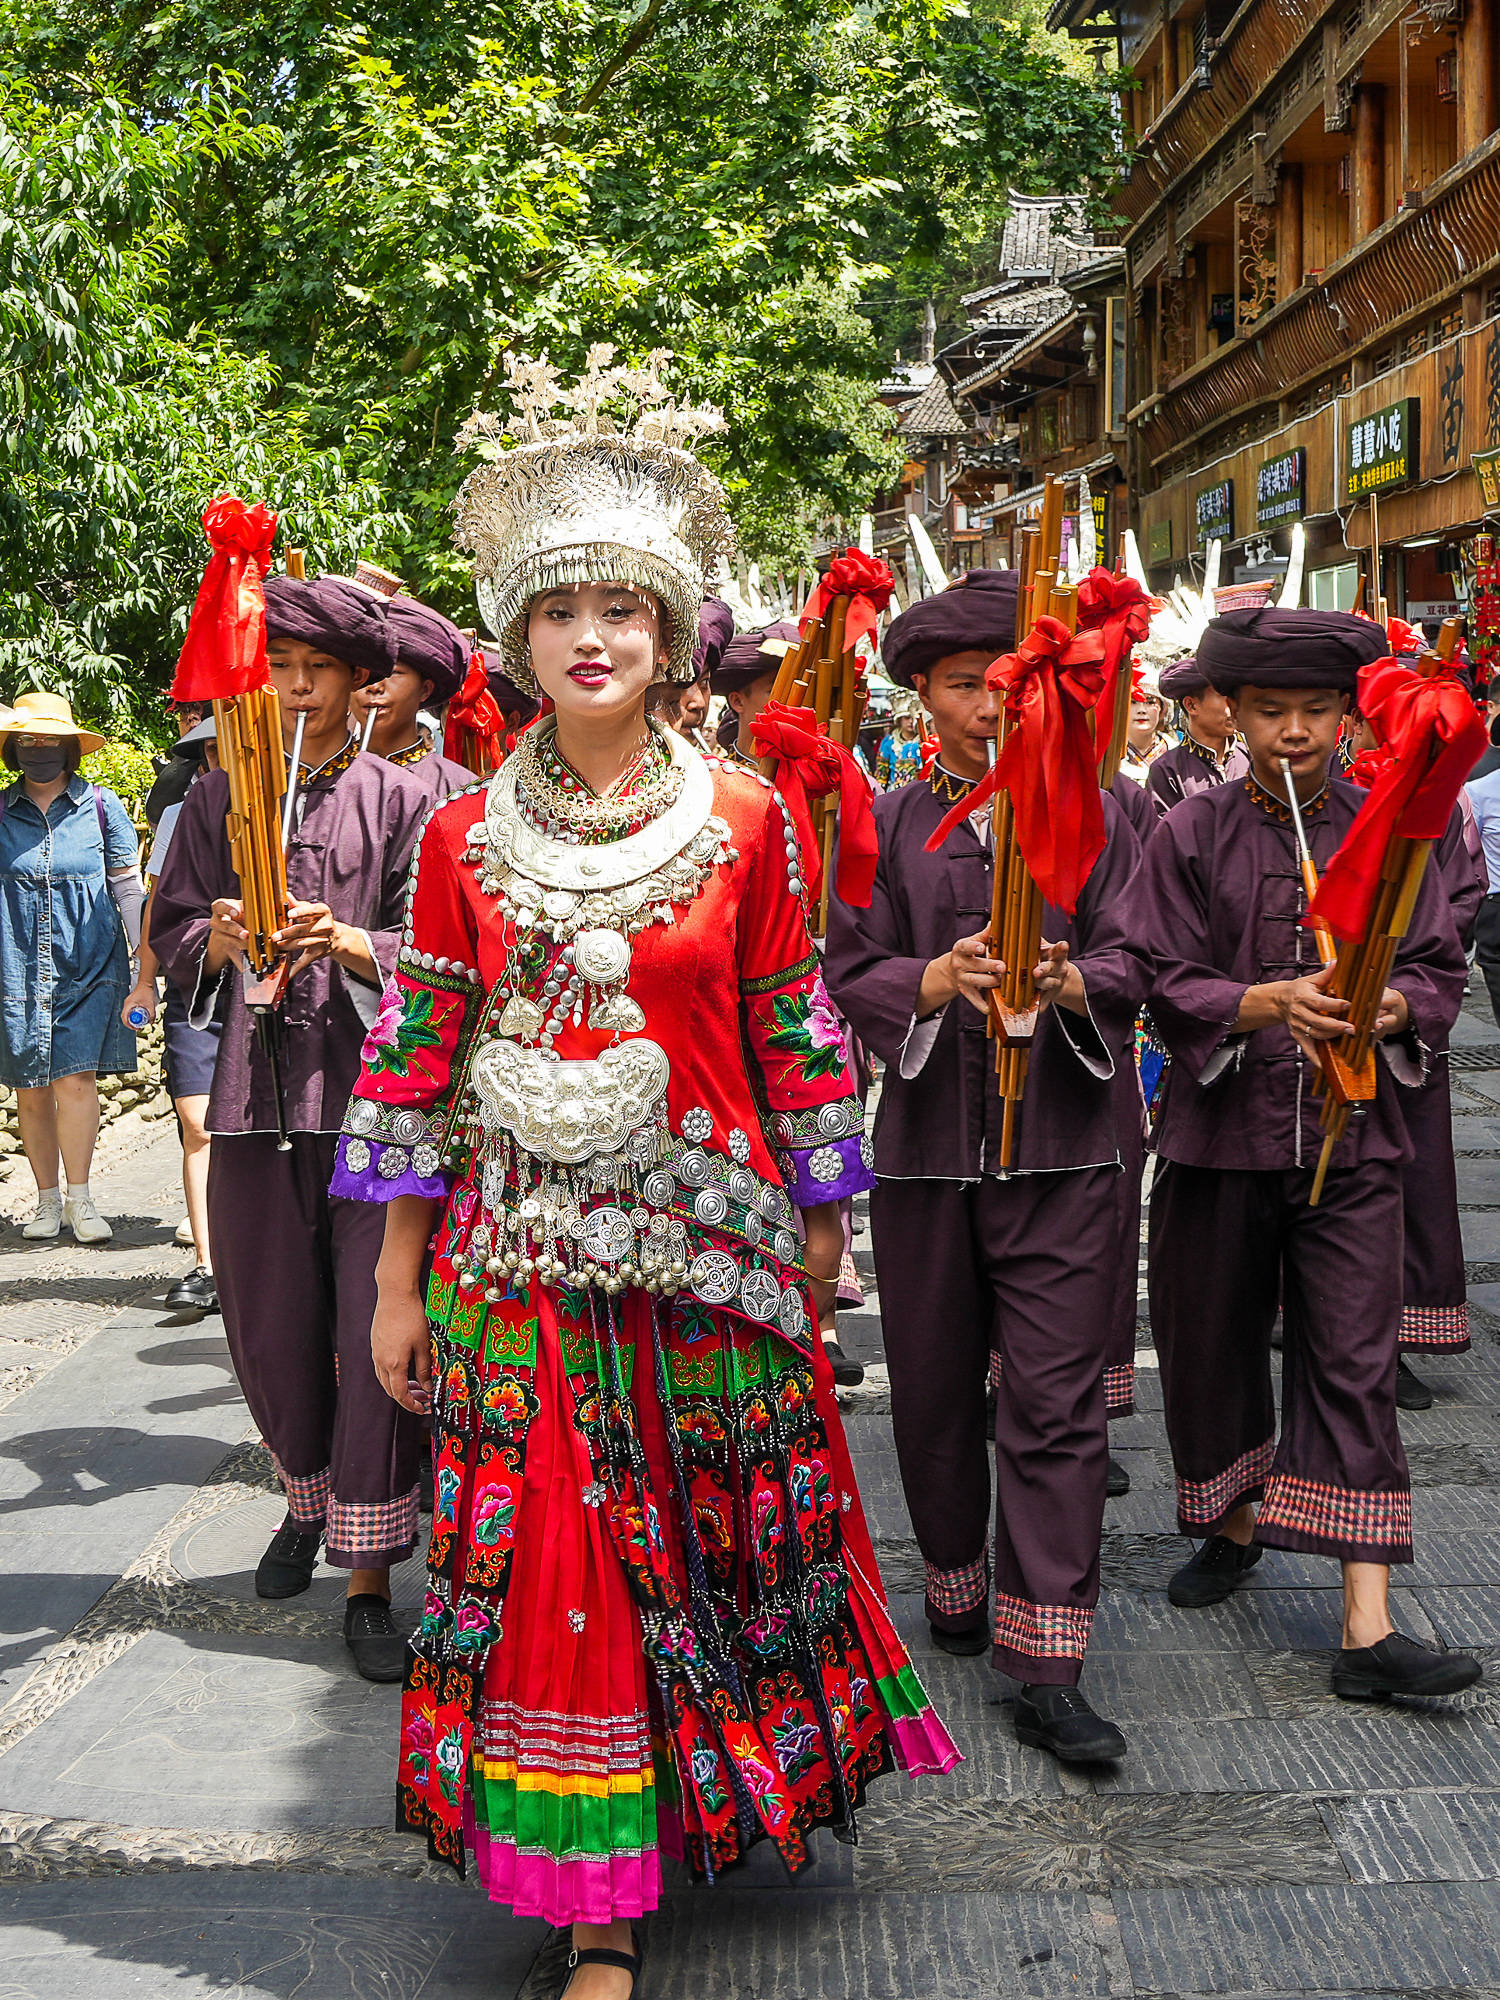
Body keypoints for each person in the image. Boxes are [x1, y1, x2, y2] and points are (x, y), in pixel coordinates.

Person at [336, 355, 956, 1987]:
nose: (590, 637)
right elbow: (412, 1063)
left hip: (716, 1257)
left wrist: (826, 1233)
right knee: (562, 1554)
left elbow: (797, 1037)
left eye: (623, 609)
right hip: (516, 1269)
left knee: (704, 1540)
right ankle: (592, 1904)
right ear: (519, 642)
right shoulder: (460, 842)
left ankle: (690, 1808)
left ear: (672, 638)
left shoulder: (748, 819)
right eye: (560, 613)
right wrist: (397, 1280)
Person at [824, 566, 1152, 1765]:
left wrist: (1079, 977)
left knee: (1059, 1407)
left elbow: (1144, 949)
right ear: (922, 694)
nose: (986, 708)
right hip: (921, 1157)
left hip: (1066, 1151)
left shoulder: (1105, 809)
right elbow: (843, 958)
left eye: (1003, 686)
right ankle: (956, 1584)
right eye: (963, 685)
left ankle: (1050, 1654)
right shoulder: (888, 820)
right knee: (932, 1393)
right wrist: (926, 978)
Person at [1142, 606, 1482, 1699]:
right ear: (1231, 713)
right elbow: (1153, 969)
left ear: (1347, 717)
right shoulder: (1186, 832)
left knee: (1355, 1357)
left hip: (1358, 1139)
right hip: (1218, 1138)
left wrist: (1388, 1011)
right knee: (1210, 1341)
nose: (1296, 731)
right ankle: (1234, 1522)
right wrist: (1259, 1000)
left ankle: (1367, 1623)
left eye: (1318, 710)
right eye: (1271, 710)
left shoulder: (1390, 827)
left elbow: (1437, 962)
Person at [151, 572, 434, 1681]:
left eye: (321, 669)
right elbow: (171, 923)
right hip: (252, 1095)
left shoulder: (412, 800)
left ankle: (368, 1575)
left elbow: (449, 950)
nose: (300, 686)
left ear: (364, 683)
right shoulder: (221, 797)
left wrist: (355, 942)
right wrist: (215, 938)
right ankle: (302, 1498)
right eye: (280, 667)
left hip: (374, 1105)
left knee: (374, 1336)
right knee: (266, 1322)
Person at [0, 692, 144, 1244]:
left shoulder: (102, 807)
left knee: (76, 1080)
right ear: (15, 750)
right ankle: (44, 1201)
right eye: (28, 741)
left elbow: (128, 888)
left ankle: (81, 1199)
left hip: (88, 961)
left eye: (49, 741)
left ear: (69, 748)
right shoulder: (1, 810)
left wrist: (141, 966)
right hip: (15, 965)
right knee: (30, 1087)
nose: (40, 749)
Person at [121, 716, 223, 1313]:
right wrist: (144, 982)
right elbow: (160, 901)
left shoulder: (302, 804)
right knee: (198, 1121)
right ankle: (208, 1264)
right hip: (196, 979)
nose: (218, 757)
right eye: (207, 749)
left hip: (278, 986)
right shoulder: (181, 816)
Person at [350, 592, 482, 801]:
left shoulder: (458, 789)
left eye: (392, 673)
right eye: (362, 672)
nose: (373, 687)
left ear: (425, 690)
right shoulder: (319, 782)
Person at [1147, 657, 1248, 811]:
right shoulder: (1167, 771)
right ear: (1191, 705)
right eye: (1226, 697)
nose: (1235, 706)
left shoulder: (1250, 757)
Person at [709, 620, 799, 768]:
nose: (793, 701)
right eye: (775, 690)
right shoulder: (713, 781)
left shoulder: (817, 779)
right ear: (737, 701)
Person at [875, 698, 924, 789]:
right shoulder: (889, 743)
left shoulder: (924, 742)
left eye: (913, 718)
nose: (911, 722)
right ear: (899, 720)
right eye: (907, 718)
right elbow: (881, 775)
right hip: (894, 793)